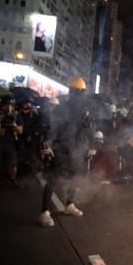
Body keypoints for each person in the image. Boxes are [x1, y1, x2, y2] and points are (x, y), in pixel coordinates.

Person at [39, 76, 91, 227]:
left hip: (76, 148)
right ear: (71, 92)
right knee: (53, 179)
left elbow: (86, 130)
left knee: (74, 177)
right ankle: (44, 212)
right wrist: (48, 144)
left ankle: (69, 205)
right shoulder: (62, 108)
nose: (80, 95)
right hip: (60, 147)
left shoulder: (84, 110)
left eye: (82, 92)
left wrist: (89, 145)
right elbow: (53, 127)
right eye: (77, 91)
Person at [0, 97, 23, 186]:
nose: (9, 107)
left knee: (13, 163)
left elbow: (20, 131)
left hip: (10, 143)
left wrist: (14, 125)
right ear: (2, 106)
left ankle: (11, 179)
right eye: (6, 105)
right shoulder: (0, 115)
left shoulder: (17, 116)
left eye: (11, 105)